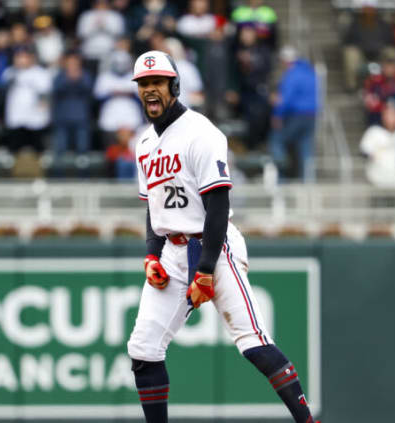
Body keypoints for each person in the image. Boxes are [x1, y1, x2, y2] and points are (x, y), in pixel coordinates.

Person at [127, 50, 320, 423]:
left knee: (254, 344)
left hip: (213, 243)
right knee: (143, 349)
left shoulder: (201, 132)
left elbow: (217, 205)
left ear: (175, 85)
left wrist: (204, 269)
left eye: (158, 83)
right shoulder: (145, 144)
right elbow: (153, 209)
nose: (150, 90)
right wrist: (152, 254)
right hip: (172, 249)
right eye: (144, 84)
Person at [268, 46, 319, 182]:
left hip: (296, 115)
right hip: (311, 116)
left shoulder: (292, 75)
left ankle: (283, 176)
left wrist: (277, 115)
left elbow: (286, 99)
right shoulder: (310, 73)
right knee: (305, 149)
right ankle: (308, 182)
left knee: (276, 141)